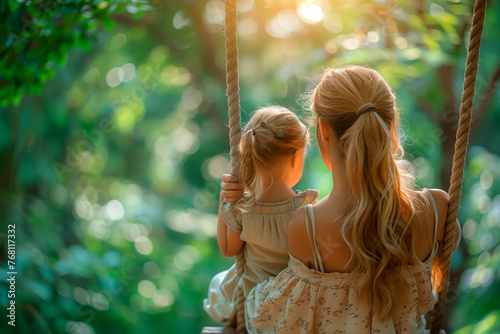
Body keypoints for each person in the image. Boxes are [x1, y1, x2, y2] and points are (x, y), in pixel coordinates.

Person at [242, 65, 461, 333]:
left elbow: (276, 320)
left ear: (323, 130)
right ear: (391, 125)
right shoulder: (437, 210)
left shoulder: (307, 228)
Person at [203, 106, 320, 325]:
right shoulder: (306, 210)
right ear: (296, 157)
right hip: (291, 307)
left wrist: (225, 200)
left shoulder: (244, 208)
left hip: (251, 305)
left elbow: (229, 250)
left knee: (220, 283)